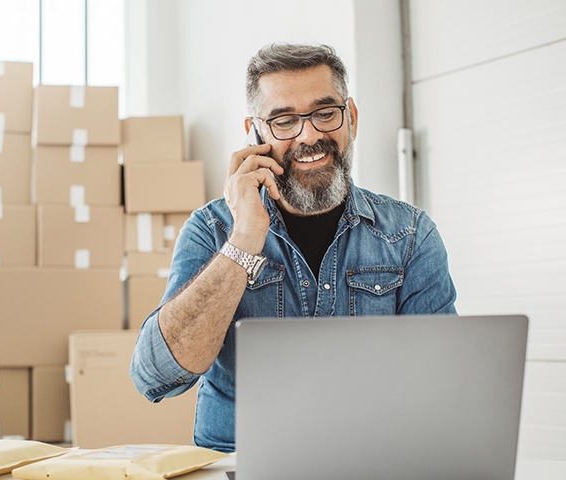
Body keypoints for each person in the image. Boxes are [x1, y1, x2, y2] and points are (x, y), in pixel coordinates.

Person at [130, 43, 457, 453]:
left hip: (368, 463)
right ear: (256, 132)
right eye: (284, 120)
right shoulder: (212, 230)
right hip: (240, 466)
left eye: (325, 113)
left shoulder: (410, 235)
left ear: (351, 118)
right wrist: (244, 240)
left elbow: (443, 386)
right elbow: (156, 377)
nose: (310, 135)